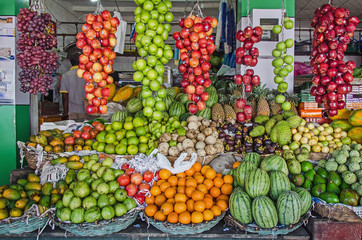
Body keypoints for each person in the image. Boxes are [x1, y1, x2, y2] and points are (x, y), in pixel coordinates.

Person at [60, 50, 88, 120]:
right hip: (86, 110)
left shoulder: (66, 75)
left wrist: (65, 112)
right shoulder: (87, 75)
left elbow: (64, 95)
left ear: (71, 63)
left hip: (71, 111)